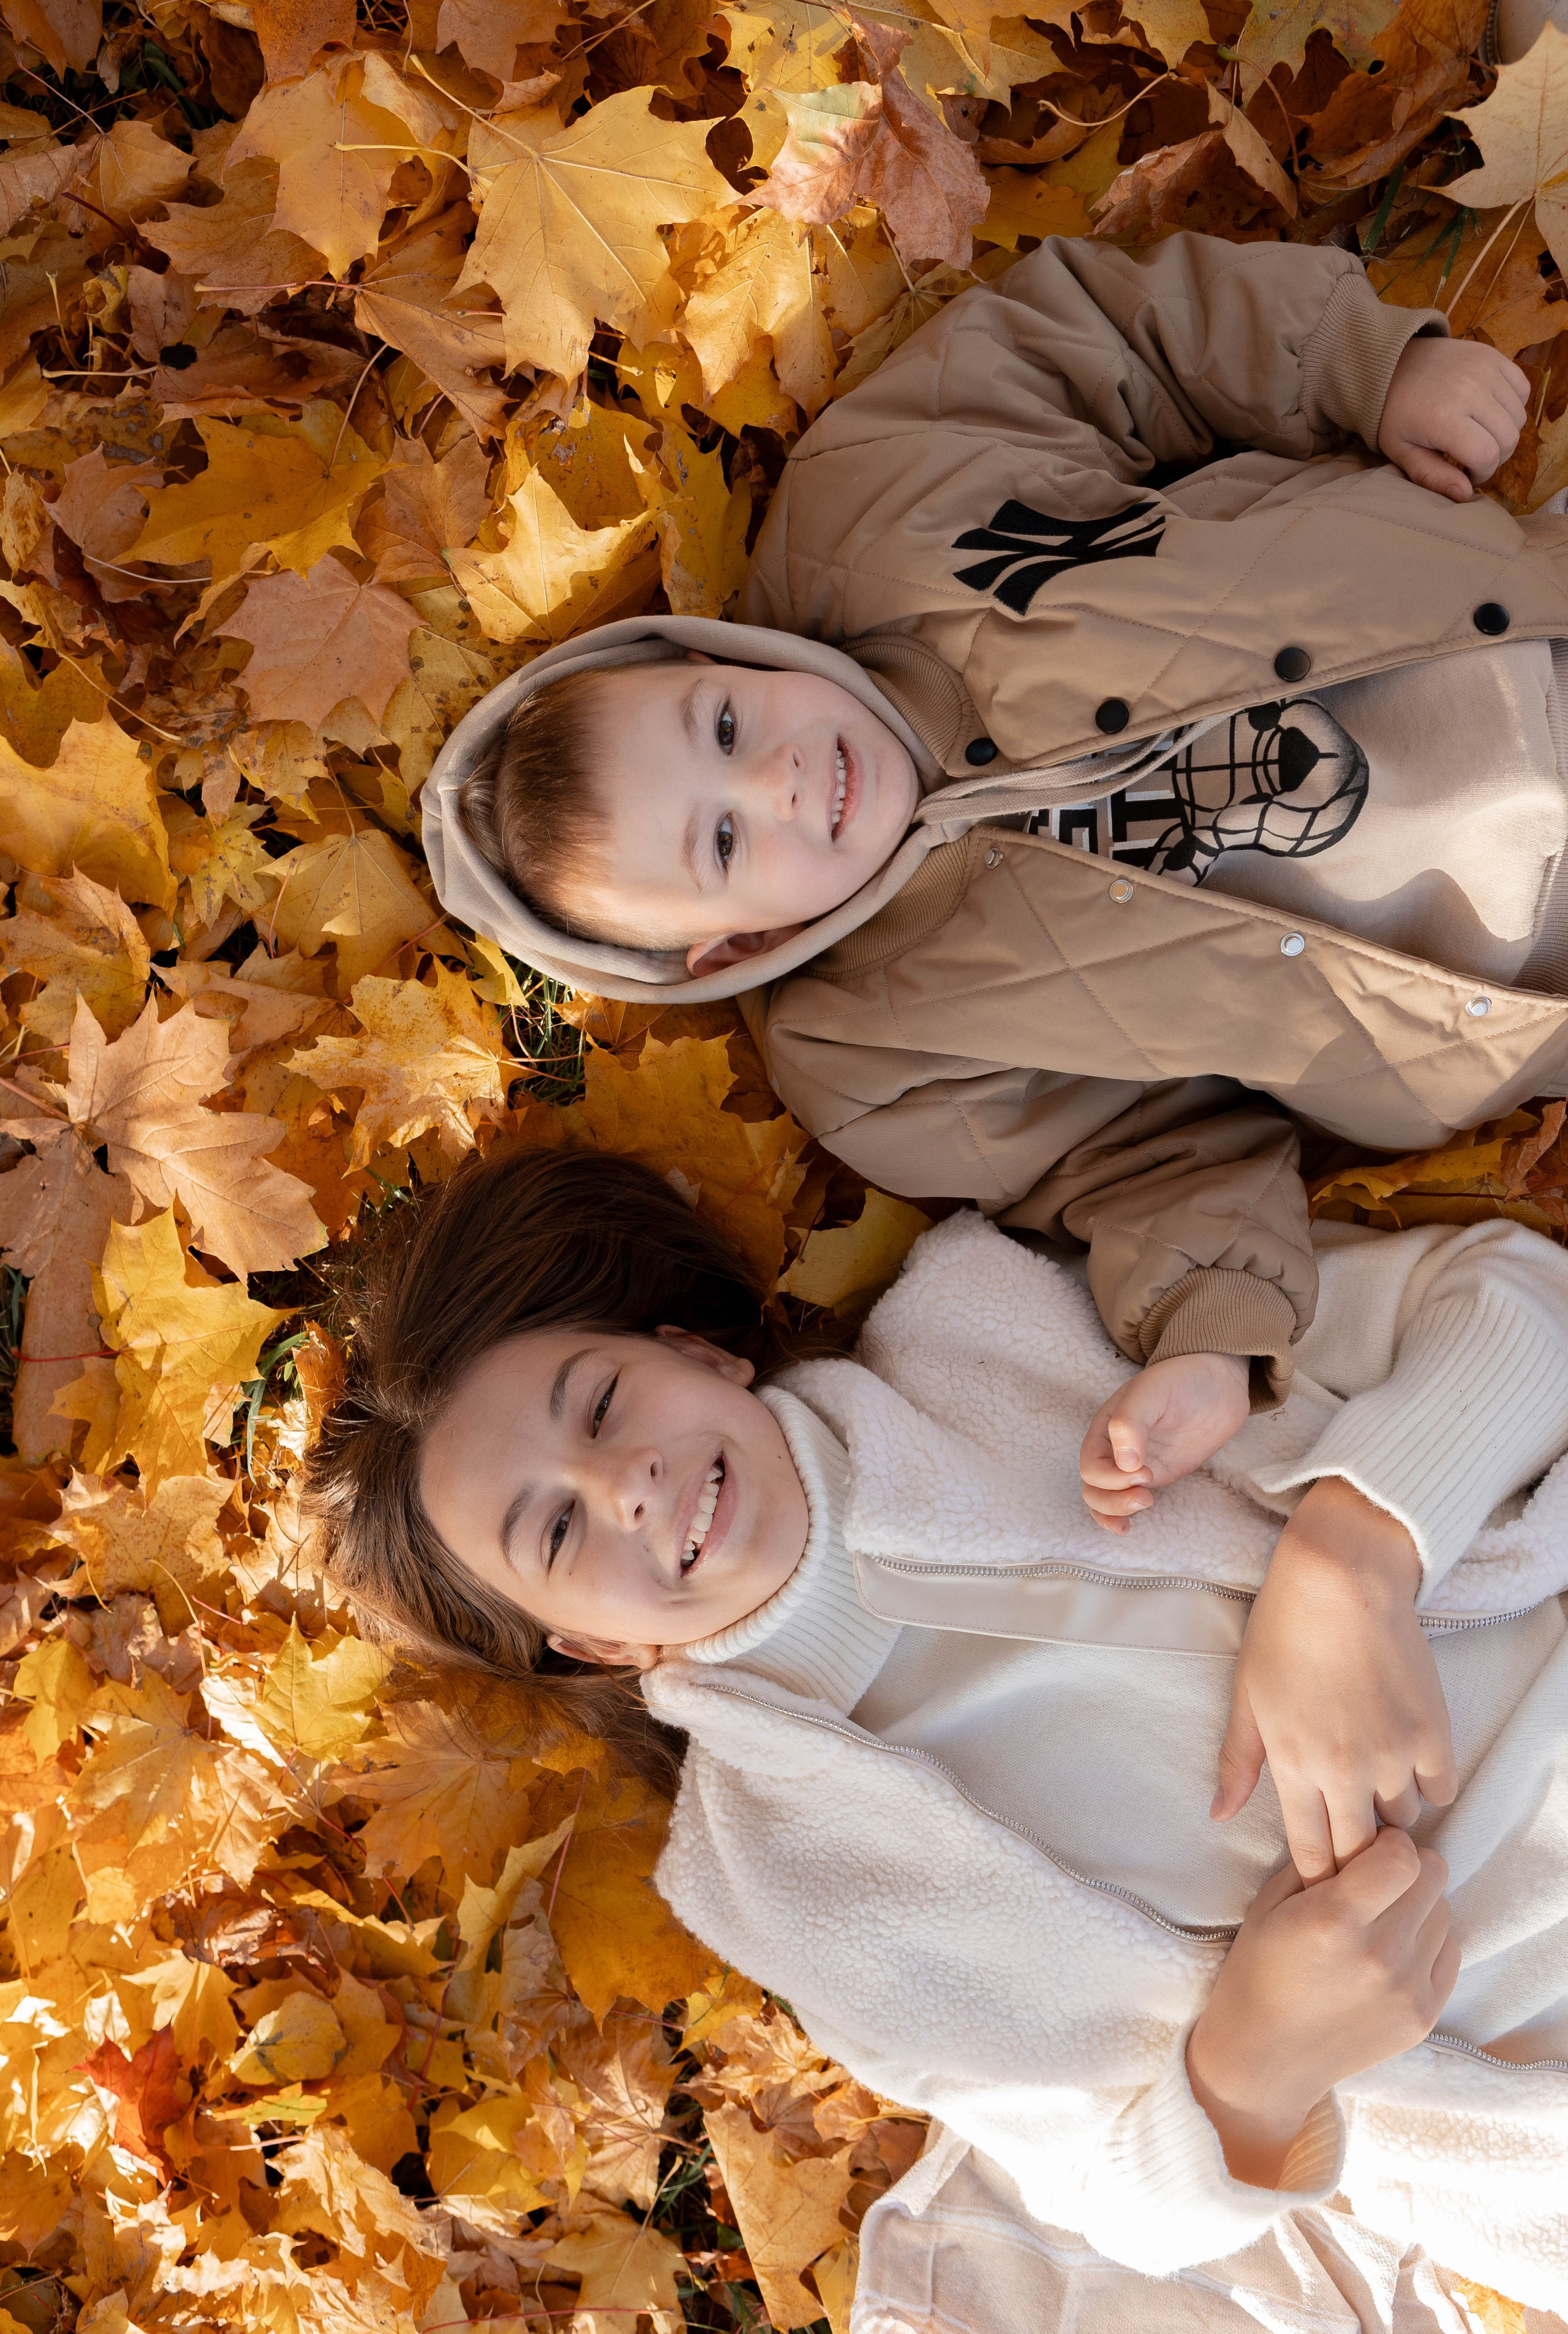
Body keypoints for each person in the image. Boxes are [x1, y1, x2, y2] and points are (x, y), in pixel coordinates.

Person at [304, 1148, 1568, 2311]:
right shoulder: (783, 1885)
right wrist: (1250, 2066)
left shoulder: (995, 1332)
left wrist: (1355, 1551)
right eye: (558, 1534)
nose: (620, 1482)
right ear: (590, 1647)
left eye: (598, 1408)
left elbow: (1508, 1303)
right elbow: (1111, 2193)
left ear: (700, 1354)